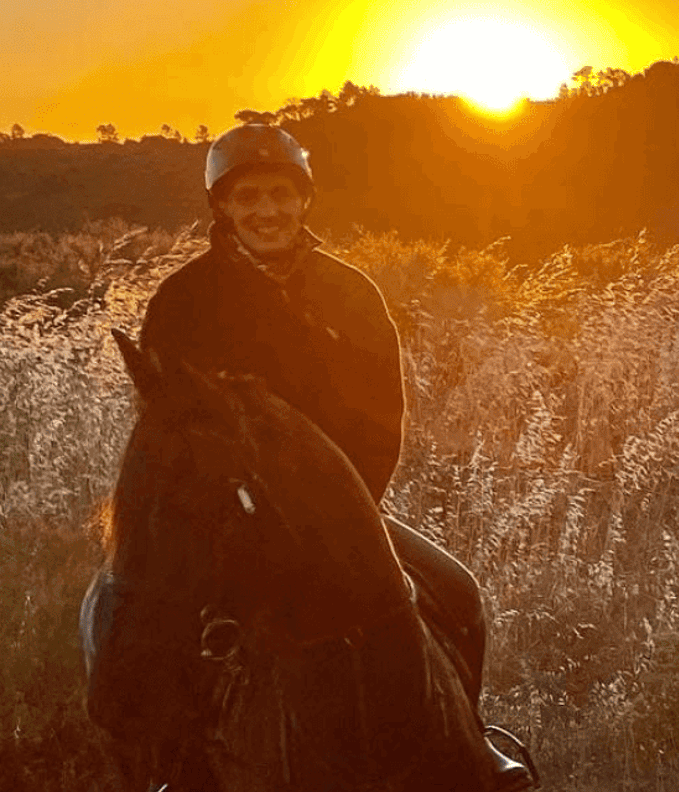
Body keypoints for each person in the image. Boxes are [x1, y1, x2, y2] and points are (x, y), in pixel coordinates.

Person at [134, 123, 532, 790]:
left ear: (304, 201)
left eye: (281, 194)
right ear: (223, 207)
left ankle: (471, 735)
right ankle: (177, 764)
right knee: (153, 621)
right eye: (249, 197)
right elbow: (164, 428)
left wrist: (344, 516)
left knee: (458, 594)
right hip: (215, 520)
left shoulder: (351, 294)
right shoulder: (182, 301)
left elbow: (383, 422)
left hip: (339, 515)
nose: (267, 211)